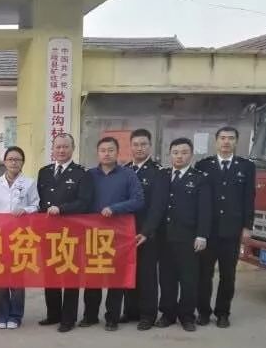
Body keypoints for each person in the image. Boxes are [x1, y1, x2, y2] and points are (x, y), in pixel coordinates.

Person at [81, 137, 144, 331]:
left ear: (117, 152)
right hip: (93, 234)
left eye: (110, 150)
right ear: (97, 153)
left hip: (119, 235)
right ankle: (90, 316)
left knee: (116, 278)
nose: (106, 154)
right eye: (103, 150)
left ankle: (112, 318)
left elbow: (138, 200)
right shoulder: (89, 175)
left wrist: (115, 208)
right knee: (92, 277)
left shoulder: (128, 175)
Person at [195, 126, 256, 328]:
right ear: (216, 141)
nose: (226, 142)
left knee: (228, 275)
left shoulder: (246, 167)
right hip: (208, 231)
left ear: (236, 142)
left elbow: (249, 198)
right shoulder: (203, 165)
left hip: (231, 230)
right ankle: (203, 312)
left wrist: (247, 226)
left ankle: (223, 313)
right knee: (204, 275)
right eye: (222, 138)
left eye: (231, 138)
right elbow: (198, 199)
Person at [36, 133, 93, 333]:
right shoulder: (44, 172)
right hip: (48, 232)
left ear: (72, 148)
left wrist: (61, 209)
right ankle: (53, 314)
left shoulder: (82, 173)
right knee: (50, 275)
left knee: (70, 276)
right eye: (58, 147)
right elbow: (39, 201)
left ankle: (68, 318)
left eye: (65, 147)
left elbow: (84, 203)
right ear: (53, 149)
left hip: (71, 233)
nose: (61, 150)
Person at [156, 138, 211, 332]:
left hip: (189, 238)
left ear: (191, 155)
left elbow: (205, 209)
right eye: (175, 152)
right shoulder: (163, 175)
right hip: (165, 237)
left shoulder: (200, 178)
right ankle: (168, 314)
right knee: (166, 279)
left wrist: (202, 235)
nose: (179, 156)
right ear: (170, 154)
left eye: (184, 152)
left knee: (189, 280)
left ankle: (187, 316)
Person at [122, 129, 169, 331]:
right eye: (136, 144)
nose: (139, 148)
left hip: (148, 233)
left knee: (147, 275)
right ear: (130, 147)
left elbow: (158, 206)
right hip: (125, 232)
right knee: (129, 271)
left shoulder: (158, 172)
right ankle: (130, 311)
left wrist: (147, 231)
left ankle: (148, 315)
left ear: (150, 146)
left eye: (143, 144)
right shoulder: (124, 170)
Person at [0, 146, 39, 329]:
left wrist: (25, 210)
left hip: (21, 236)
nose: (14, 162)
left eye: (17, 159)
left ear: (22, 162)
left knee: (17, 277)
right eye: (10, 159)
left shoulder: (30, 183)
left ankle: (15, 316)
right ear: (4, 162)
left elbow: (36, 205)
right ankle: (0, 315)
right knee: (1, 277)